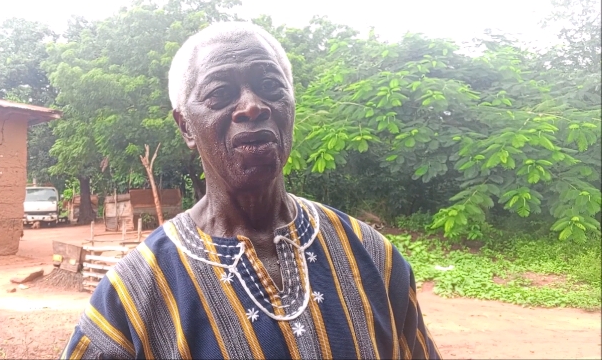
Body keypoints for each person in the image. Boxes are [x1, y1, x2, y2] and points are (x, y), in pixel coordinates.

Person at [60, 22, 441, 360]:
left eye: (270, 86)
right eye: (220, 93)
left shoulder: (372, 256)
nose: (252, 106)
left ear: (291, 105)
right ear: (186, 126)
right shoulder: (133, 293)